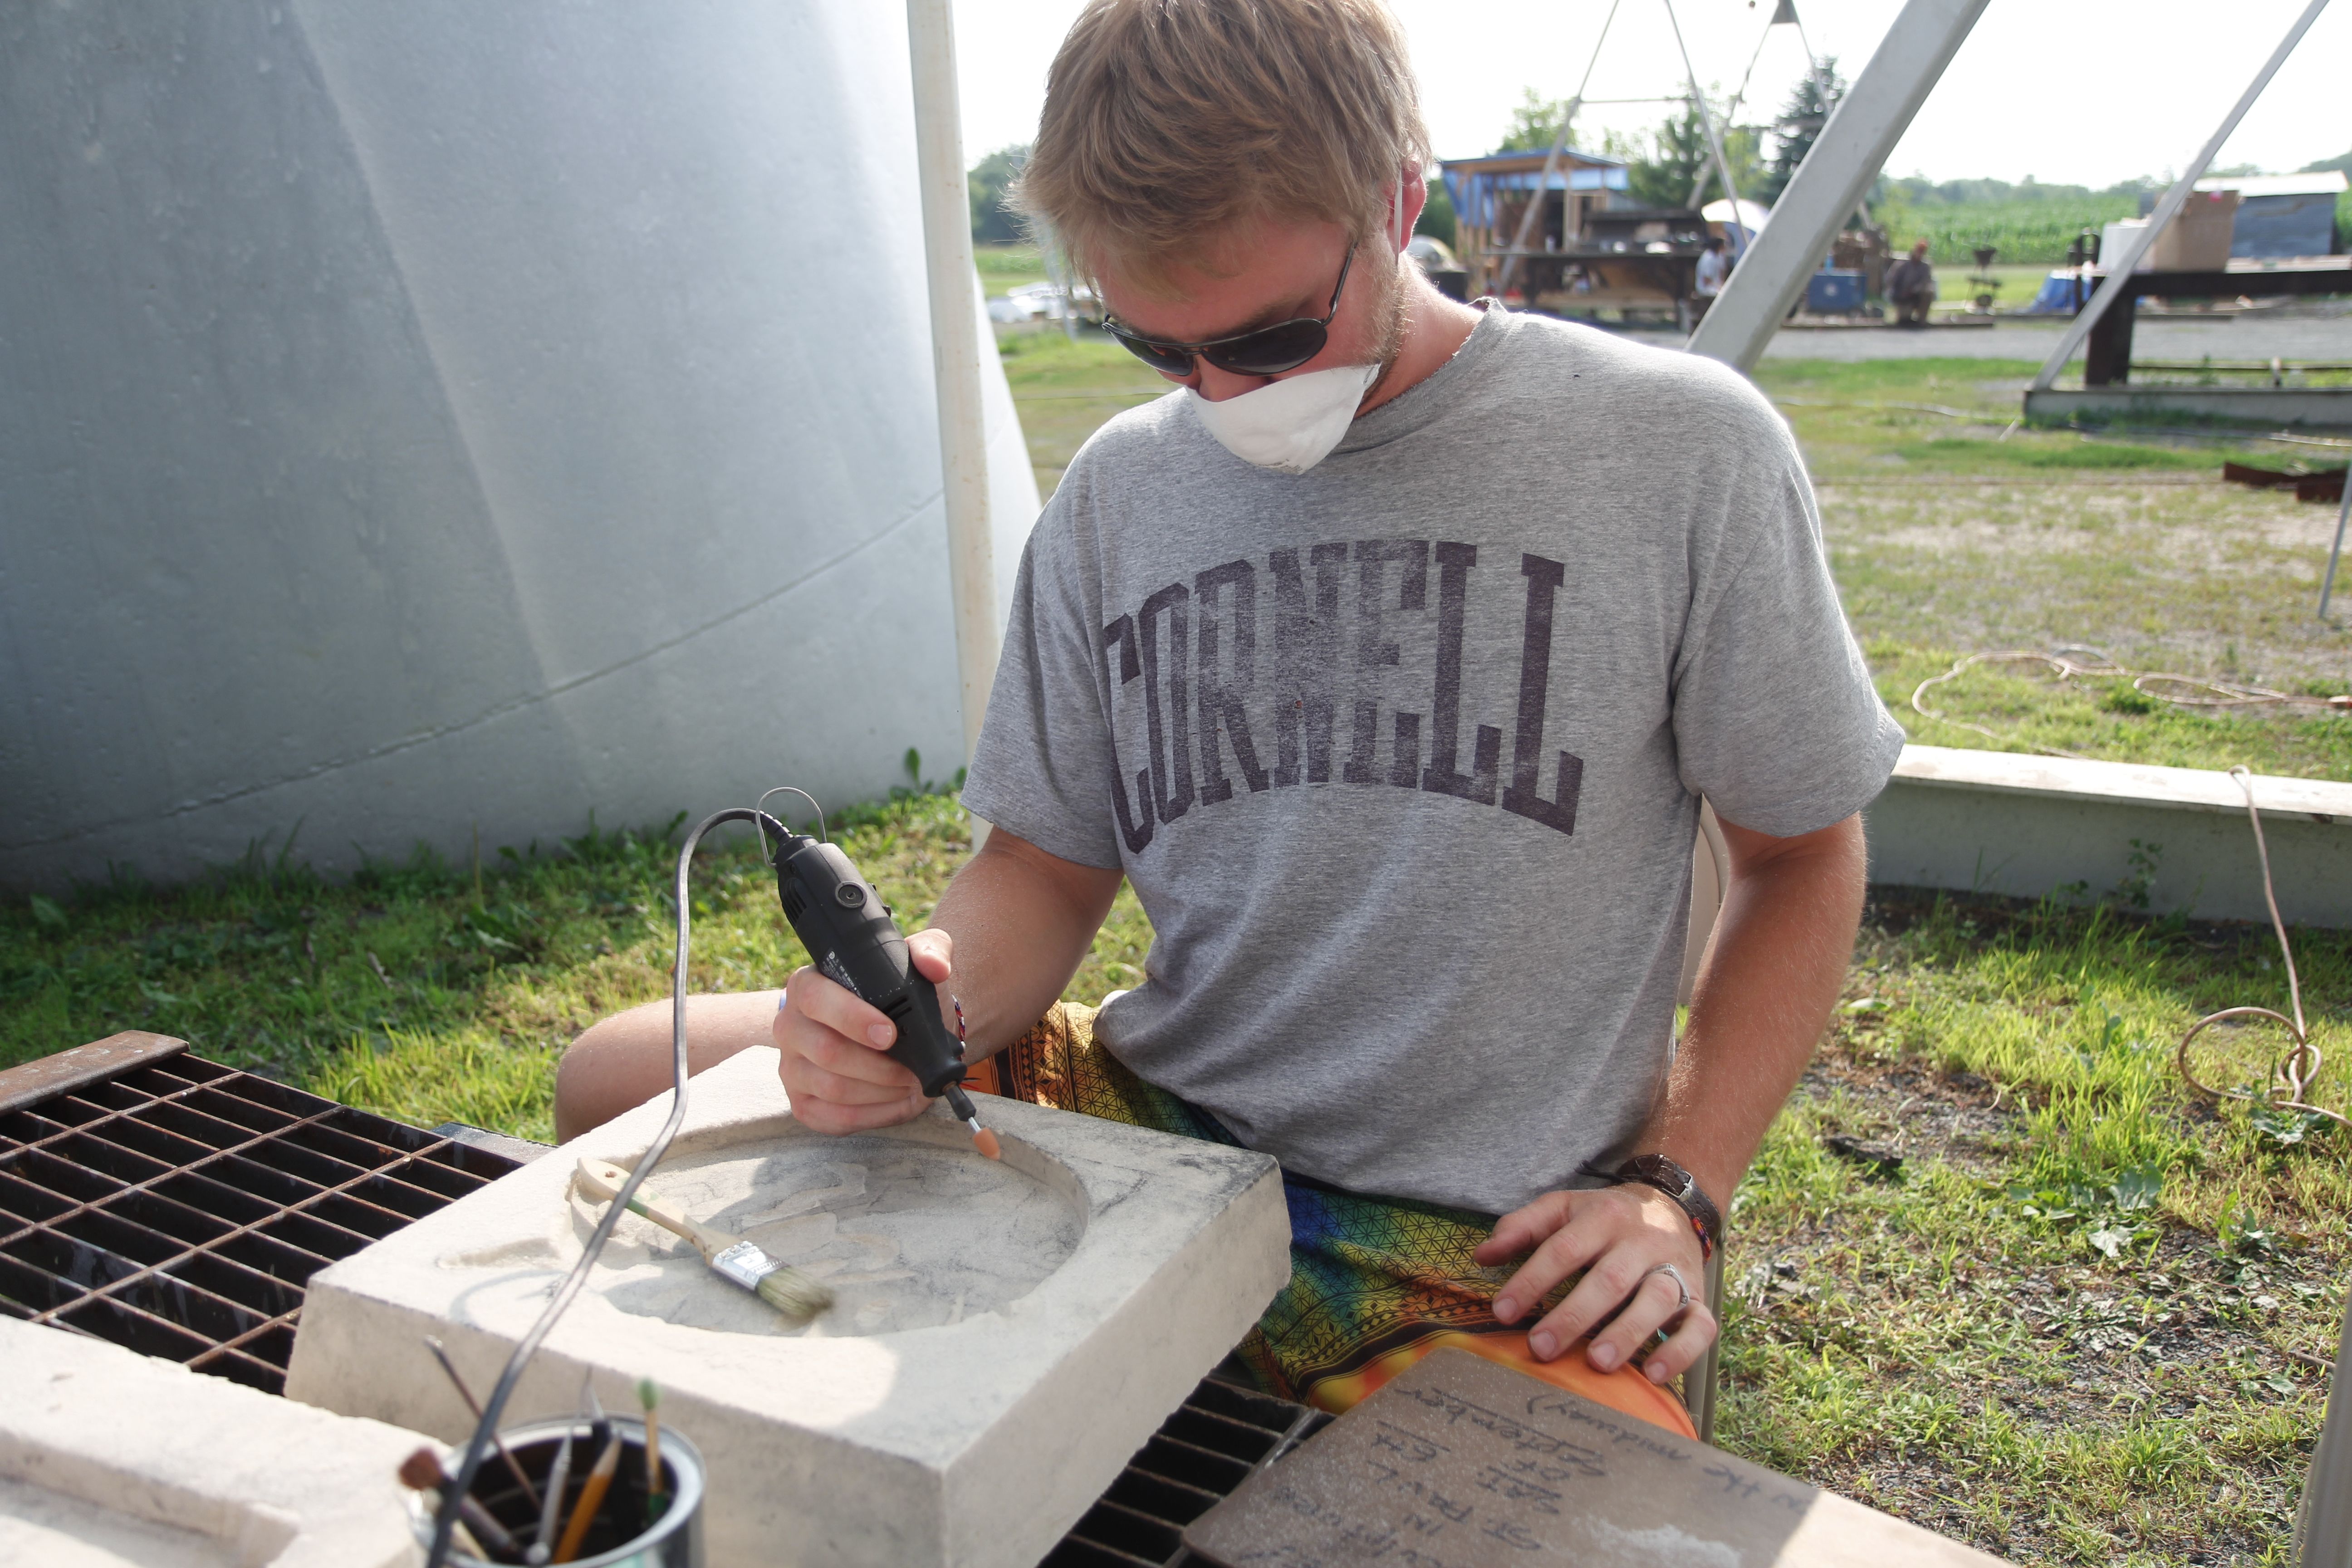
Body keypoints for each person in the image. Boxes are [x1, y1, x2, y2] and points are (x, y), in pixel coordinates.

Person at [555, 0, 1901, 1436]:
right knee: (620, 1079)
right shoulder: (1120, 496)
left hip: (1469, 1233)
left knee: (1574, 1487)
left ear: (1400, 192)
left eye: (1264, 336)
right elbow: (1048, 868)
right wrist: (922, 1007)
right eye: (1157, 348)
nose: (1216, 394)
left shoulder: (1679, 453)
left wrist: (1678, 1191)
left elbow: (1800, 860)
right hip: (1152, 1125)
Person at [1886, 239, 1937, 325]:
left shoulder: (1926, 267)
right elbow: (1891, 281)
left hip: (1916, 294)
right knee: (1904, 320)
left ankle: (1922, 319)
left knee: (1929, 292)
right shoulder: (1901, 265)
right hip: (1901, 294)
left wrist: (1914, 290)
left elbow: (1925, 282)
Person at [1694, 234, 1729, 299]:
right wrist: (1718, 286)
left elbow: (1722, 274)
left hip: (1717, 287)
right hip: (1706, 288)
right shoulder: (1708, 258)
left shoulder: (1720, 256)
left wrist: (1722, 285)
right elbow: (1707, 280)